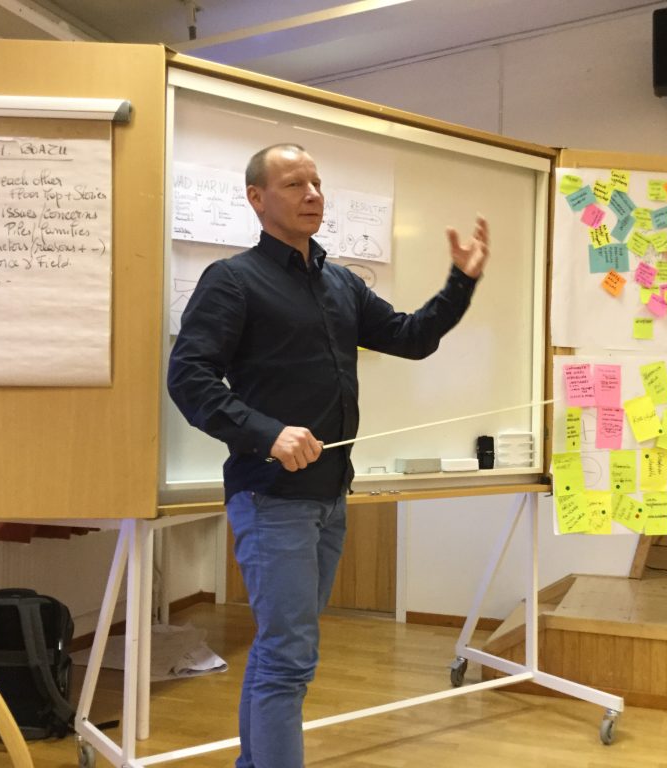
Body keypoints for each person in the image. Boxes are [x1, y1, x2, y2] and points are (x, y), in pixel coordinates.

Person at [167, 143, 488, 768]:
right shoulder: (232, 281)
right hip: (272, 497)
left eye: (316, 182)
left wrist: (461, 283)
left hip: (329, 496)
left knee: (281, 652)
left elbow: (411, 338)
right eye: (294, 184)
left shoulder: (340, 283)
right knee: (288, 657)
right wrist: (267, 433)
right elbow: (189, 378)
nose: (312, 194)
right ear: (257, 198)